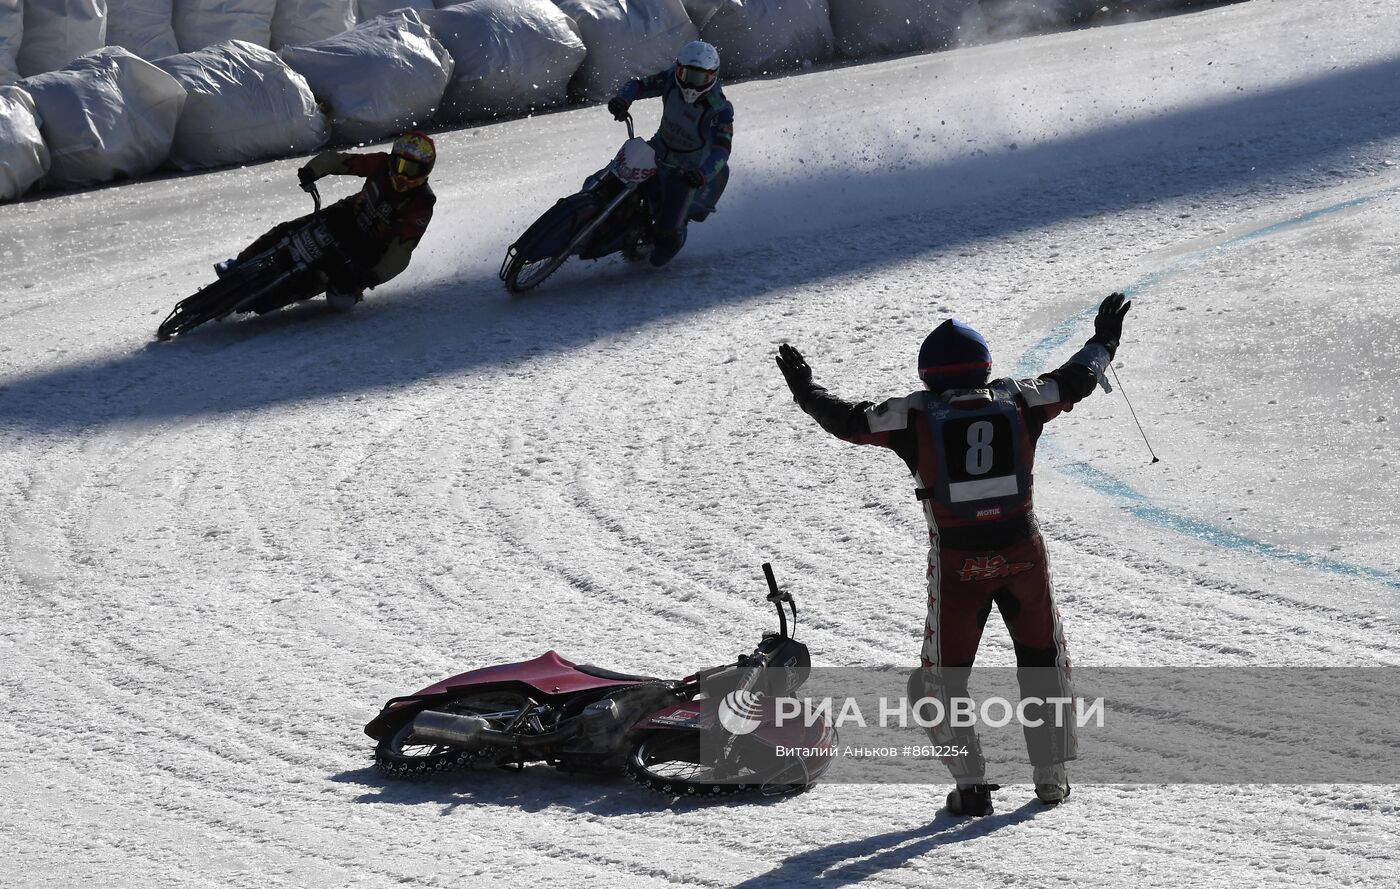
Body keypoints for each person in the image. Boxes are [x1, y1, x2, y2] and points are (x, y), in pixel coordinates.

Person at [775, 293, 1132, 817]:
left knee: (939, 679)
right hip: (1023, 554)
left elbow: (844, 420)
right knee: (1042, 661)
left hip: (958, 565)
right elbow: (1077, 377)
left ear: (928, 375)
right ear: (985, 367)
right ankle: (1051, 779)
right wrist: (1105, 338)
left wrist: (805, 387)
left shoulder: (912, 416)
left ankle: (970, 786)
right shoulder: (1020, 399)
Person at [217, 130, 438, 313]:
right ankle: (239, 263)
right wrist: (314, 170)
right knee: (289, 231)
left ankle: (307, 286)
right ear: (391, 160)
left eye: (411, 170)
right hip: (347, 215)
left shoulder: (422, 203)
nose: (402, 175)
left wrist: (374, 275)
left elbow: (402, 250)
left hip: (371, 248)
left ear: (424, 172)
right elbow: (341, 161)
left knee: (339, 301)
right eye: (399, 165)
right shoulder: (380, 164)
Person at [604, 40, 733, 267]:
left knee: (666, 239)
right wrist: (623, 99)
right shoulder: (670, 80)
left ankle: (673, 234)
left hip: (687, 172)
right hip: (657, 150)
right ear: (678, 69)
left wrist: (701, 175)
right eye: (686, 75)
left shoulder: (719, 109)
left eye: (700, 78)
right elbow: (639, 85)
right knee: (609, 179)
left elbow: (722, 150)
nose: (691, 85)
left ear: (712, 77)